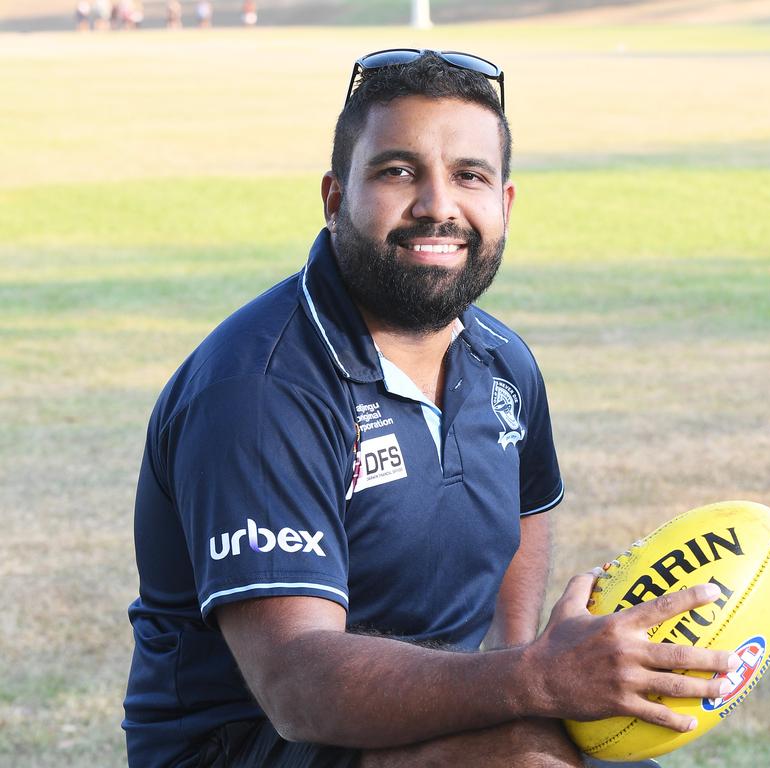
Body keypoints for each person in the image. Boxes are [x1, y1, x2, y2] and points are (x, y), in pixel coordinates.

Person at [123, 50, 737, 767]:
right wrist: (535, 678)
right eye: (397, 171)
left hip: (422, 718)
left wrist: (518, 654)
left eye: (469, 176)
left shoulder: (503, 361)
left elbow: (526, 502)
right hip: (246, 745)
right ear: (332, 196)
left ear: (504, 205)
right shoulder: (259, 390)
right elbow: (295, 684)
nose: (438, 205)